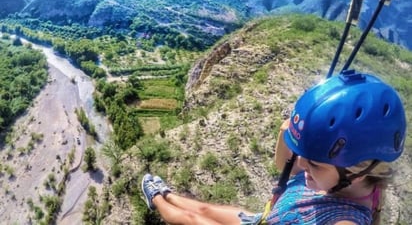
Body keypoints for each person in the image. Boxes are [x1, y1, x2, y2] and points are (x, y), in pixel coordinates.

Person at [141, 70, 407, 225]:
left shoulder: (345, 219)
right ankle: (168, 194)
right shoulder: (356, 183)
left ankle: (154, 198)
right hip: (264, 217)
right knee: (204, 210)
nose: (302, 165)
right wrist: (291, 132)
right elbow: (285, 167)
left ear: (357, 169)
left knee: (192, 220)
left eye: (314, 162)